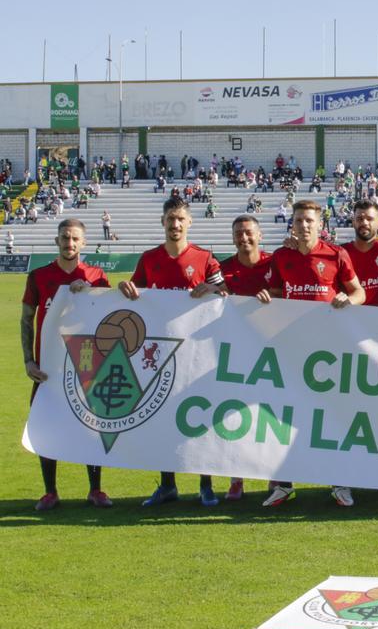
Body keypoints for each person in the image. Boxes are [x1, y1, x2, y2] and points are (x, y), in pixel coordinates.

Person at [118, 197, 226, 508]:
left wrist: (214, 289)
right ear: (162, 222)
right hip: (159, 355)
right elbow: (133, 294)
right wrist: (126, 289)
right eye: (170, 219)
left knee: (200, 418)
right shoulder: (149, 259)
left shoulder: (206, 259)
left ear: (189, 222)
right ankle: (167, 485)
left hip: (198, 355)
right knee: (162, 420)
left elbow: (229, 297)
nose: (175, 224)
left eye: (180, 219)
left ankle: (206, 484)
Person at [258, 200, 366, 508]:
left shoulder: (336, 254)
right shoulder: (281, 257)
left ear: (320, 225)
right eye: (299, 220)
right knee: (286, 416)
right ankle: (283, 483)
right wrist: (267, 296)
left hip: (330, 350)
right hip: (292, 348)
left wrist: (350, 300)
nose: (304, 225)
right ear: (291, 224)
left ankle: (340, 482)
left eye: (309, 221)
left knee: (333, 416)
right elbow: (279, 292)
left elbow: (358, 291)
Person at [22, 219, 113, 511]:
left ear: (83, 243)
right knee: (46, 427)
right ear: (57, 240)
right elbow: (26, 320)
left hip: (86, 365)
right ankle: (50, 492)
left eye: (75, 239)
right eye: (65, 237)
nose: (69, 243)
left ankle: (96, 489)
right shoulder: (39, 276)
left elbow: (109, 318)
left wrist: (91, 293)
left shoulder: (97, 276)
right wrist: (28, 359)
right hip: (48, 369)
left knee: (93, 427)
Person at [218, 215, 275, 501]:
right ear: (233, 238)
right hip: (236, 353)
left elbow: (288, 290)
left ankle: (275, 476)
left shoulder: (273, 263)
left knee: (273, 414)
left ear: (260, 235)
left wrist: (273, 294)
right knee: (235, 415)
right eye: (239, 233)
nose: (244, 238)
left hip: (273, 351)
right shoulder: (223, 268)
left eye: (249, 233)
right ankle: (236, 477)